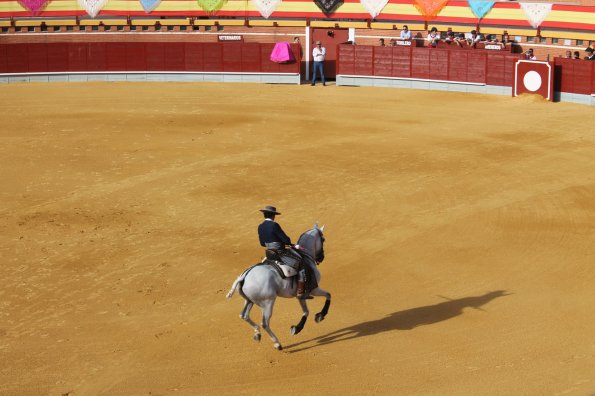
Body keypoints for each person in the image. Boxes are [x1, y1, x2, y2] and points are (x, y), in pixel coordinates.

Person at [257, 205, 308, 298]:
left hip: (269, 253)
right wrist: (288, 243)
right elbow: (286, 240)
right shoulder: (274, 225)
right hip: (280, 252)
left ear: (264, 215)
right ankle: (300, 291)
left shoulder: (260, 226)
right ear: (273, 216)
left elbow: (262, 243)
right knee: (300, 262)